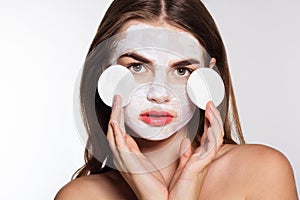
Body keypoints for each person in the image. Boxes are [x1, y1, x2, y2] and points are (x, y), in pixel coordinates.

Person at [55, 0, 298, 199]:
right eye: (138, 67)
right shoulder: (81, 196)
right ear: (104, 72)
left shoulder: (261, 172)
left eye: (181, 71)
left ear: (208, 77)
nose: (159, 94)